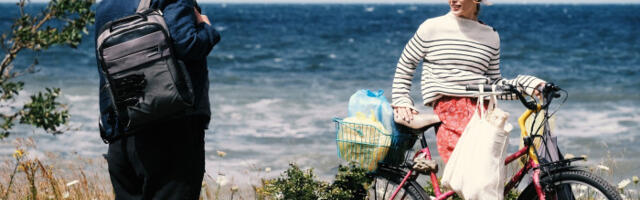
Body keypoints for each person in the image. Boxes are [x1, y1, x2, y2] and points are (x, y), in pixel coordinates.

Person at [391, 0, 545, 164]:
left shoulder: (490, 36)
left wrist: (528, 85)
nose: (452, 1)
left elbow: (495, 83)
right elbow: (406, 63)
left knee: (487, 172)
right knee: (473, 175)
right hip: (449, 109)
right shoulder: (432, 28)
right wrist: (401, 99)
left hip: (483, 111)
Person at [94, 0, 220, 198]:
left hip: (121, 134)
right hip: (170, 132)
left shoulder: (106, 5)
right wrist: (207, 28)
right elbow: (188, 44)